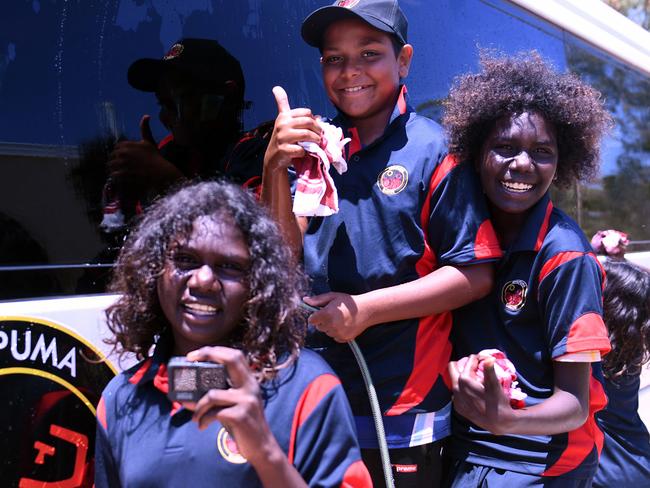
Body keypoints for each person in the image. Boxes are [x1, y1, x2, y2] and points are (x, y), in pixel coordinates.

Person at [261, 1, 503, 486]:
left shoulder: (435, 149)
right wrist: (273, 166)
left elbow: (475, 275)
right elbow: (279, 260)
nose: (350, 72)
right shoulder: (314, 149)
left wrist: (366, 309)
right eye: (333, 58)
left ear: (404, 60)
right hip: (312, 394)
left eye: (369, 53)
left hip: (399, 407)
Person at [93, 181, 371, 487]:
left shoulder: (308, 387)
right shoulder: (122, 398)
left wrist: (265, 451)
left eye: (229, 266)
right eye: (185, 260)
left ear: (258, 283)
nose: (203, 281)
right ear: (155, 269)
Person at [445, 52, 613, 486]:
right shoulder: (459, 232)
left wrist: (504, 419)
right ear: (477, 151)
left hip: (537, 463)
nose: (522, 164)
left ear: (562, 162)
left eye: (542, 152)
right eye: (504, 147)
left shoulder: (566, 256)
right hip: (466, 444)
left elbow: (575, 403)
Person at [105, 38, 268, 230]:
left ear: (225, 97)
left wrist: (166, 180)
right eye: (161, 103)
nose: (165, 116)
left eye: (177, 101)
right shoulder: (166, 153)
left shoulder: (257, 156)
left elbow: (245, 236)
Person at [593, 260, 650, 487]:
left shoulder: (589, 354)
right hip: (637, 461)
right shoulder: (630, 349)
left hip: (605, 472)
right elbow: (637, 283)